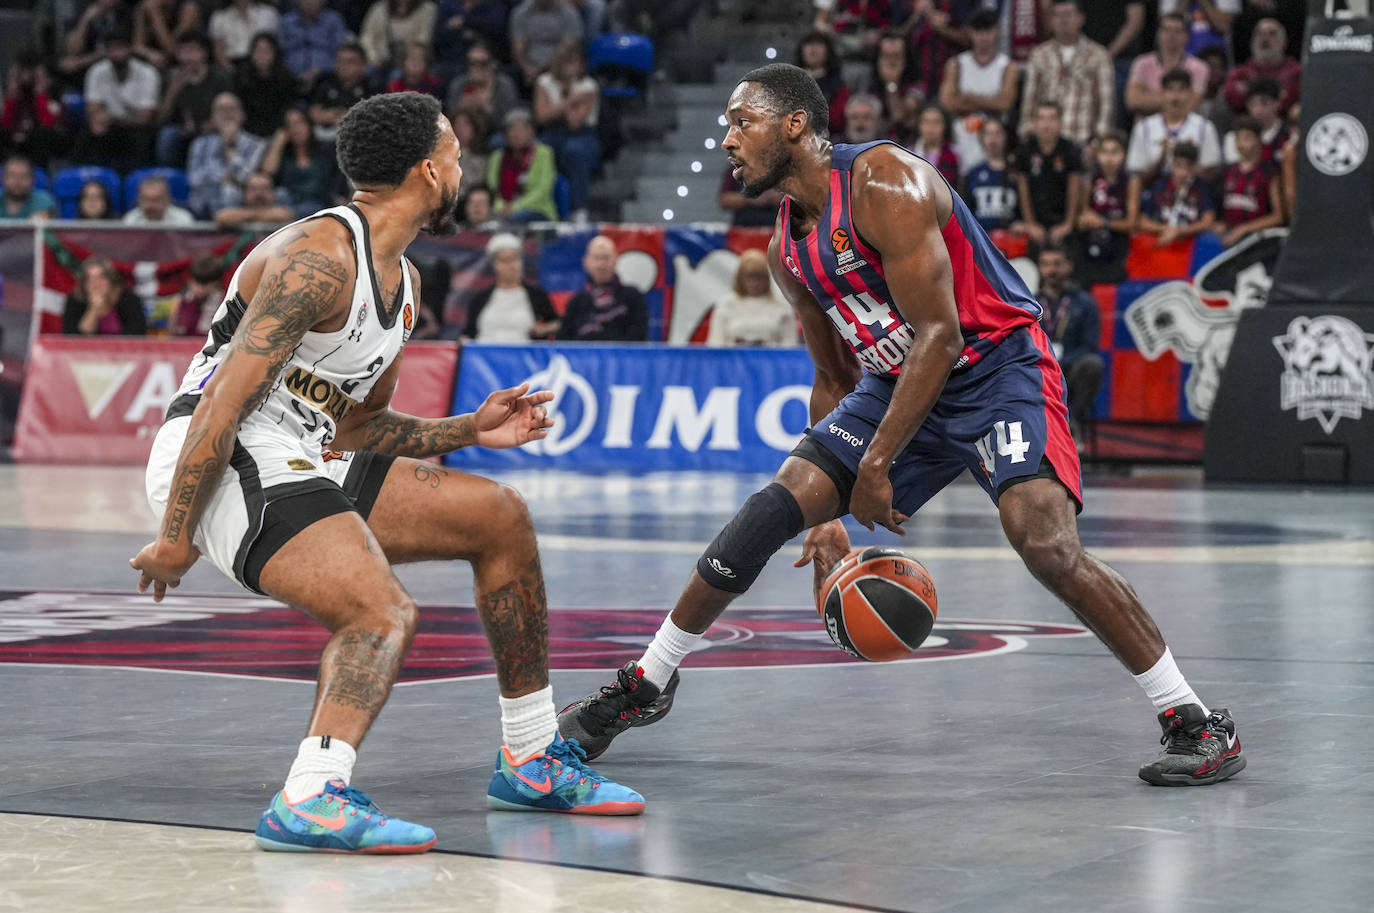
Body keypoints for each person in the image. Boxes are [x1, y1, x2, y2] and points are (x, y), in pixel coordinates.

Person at [557, 62, 1245, 788]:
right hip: (896, 383)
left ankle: (1196, 722)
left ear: (794, 124)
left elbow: (942, 336)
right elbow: (833, 379)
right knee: (768, 512)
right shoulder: (787, 249)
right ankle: (646, 682)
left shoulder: (884, 184)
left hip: (995, 370)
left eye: (741, 122)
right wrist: (826, 519)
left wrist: (877, 463)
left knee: (1045, 543)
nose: (727, 139)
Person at [132, 92, 646, 857]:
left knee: (499, 516)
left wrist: (469, 428)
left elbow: (357, 428)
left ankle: (532, 757)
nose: (464, 169)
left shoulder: (401, 286)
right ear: (428, 171)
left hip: (304, 448)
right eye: (457, 156)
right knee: (380, 611)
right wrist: (176, 535)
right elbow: (221, 406)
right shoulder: (318, 256)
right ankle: (310, 794)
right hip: (217, 451)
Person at [1018, 0, 1114, 147]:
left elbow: (1106, 104)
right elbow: (1029, 101)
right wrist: (1028, 136)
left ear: (1081, 18)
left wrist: (1097, 143)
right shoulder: (1039, 55)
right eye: (1057, 15)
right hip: (1045, 144)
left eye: (1068, 14)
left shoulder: (1099, 55)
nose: (1063, 20)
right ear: (1051, 20)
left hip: (1082, 139)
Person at [1034, 243, 1102, 446]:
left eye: (1057, 264)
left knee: (1093, 364)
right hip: (1040, 368)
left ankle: (1071, 421)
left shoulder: (1085, 301)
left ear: (1069, 267)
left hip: (1071, 369)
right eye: (1046, 264)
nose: (1051, 270)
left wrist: (1062, 361)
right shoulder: (1030, 302)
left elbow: (1090, 345)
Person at [938, 9, 1017, 176]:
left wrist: (967, 98)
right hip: (962, 138)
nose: (983, 37)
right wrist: (990, 102)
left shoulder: (1007, 66)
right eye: (978, 31)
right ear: (970, 32)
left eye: (988, 31)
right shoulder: (956, 64)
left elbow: (1005, 103)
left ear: (996, 31)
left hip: (994, 141)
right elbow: (948, 102)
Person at [532, 45, 600, 222]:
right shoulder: (544, 82)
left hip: (582, 134)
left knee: (575, 151)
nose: (573, 68)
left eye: (576, 63)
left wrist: (563, 99)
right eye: (568, 63)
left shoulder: (588, 85)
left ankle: (579, 209)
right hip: (552, 131)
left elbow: (574, 123)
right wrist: (572, 100)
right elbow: (542, 117)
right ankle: (540, 205)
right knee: (539, 150)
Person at [1126, 67, 1221, 184]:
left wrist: (1184, 166)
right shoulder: (1144, 127)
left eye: (1181, 90)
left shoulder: (1205, 127)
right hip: (1155, 188)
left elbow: (1210, 173)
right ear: (1161, 93)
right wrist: (1161, 157)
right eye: (1170, 90)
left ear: (1190, 94)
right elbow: (1137, 175)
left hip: (1194, 189)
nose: (1175, 97)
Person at [83, 28, 162, 170]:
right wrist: (99, 117)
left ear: (130, 49)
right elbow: (93, 108)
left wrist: (114, 118)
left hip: (137, 128)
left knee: (140, 137)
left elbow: (145, 116)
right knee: (91, 132)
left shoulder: (147, 73)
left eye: (120, 48)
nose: (116, 54)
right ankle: (96, 178)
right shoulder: (96, 71)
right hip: (109, 126)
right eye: (111, 49)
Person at [1010, 101, 1082, 250]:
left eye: (1052, 118)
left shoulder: (1070, 150)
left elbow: (1074, 190)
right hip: (1035, 218)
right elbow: (1023, 190)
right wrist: (1031, 224)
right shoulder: (1024, 150)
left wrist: (1068, 224)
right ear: (1034, 123)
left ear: (1060, 123)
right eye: (1041, 118)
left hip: (1062, 218)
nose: (1046, 124)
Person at [156, 31, 234, 167]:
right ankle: (170, 175)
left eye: (191, 50)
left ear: (204, 53)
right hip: (182, 130)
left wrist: (198, 128)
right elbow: (161, 118)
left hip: (212, 130)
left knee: (210, 140)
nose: (185, 56)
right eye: (181, 51)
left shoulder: (220, 78)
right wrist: (172, 91)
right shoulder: (171, 77)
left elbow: (228, 116)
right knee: (167, 135)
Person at [463, 232, 559, 340]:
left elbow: (557, 323)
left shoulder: (536, 295)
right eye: (505, 260)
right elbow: (468, 333)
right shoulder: (480, 298)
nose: (511, 265)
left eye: (515, 259)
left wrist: (545, 329)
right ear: (494, 264)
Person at [188, 92, 267, 218]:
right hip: (206, 198)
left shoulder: (256, 144)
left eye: (232, 109)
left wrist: (228, 147)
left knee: (230, 193)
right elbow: (194, 179)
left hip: (240, 202)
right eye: (221, 110)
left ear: (242, 115)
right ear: (213, 118)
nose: (227, 115)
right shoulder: (200, 143)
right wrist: (222, 178)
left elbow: (246, 179)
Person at [556, 234, 647, 341]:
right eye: (596, 258)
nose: (601, 265)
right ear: (586, 262)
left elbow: (638, 336)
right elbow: (563, 339)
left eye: (606, 258)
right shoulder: (576, 302)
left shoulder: (632, 297)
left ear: (615, 261)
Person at [1075, 129, 1135, 285]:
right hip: (1092, 239)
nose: (1109, 158)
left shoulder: (1131, 180)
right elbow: (1082, 217)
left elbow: (1131, 224)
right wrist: (1087, 218)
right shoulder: (1089, 179)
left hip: (1118, 241)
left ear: (1124, 155)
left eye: (1115, 152)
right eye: (1104, 152)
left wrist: (1103, 222)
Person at [1124, 13, 1208, 121]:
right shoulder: (1141, 63)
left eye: (1177, 31)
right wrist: (1176, 100)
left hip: (1185, 128)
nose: (1171, 36)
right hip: (1145, 128)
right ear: (1158, 34)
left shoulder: (1199, 68)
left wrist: (1148, 99)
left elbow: (1190, 105)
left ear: (1187, 36)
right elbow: (1133, 101)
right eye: (1166, 30)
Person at [707, 249, 798, 347]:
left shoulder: (782, 306)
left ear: (767, 279)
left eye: (759, 278)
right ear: (740, 279)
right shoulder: (725, 305)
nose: (754, 283)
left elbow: (790, 345)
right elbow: (715, 344)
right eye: (749, 278)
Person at [1218, 116, 1284, 249]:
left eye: (1247, 138)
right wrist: (1218, 224)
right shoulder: (1228, 171)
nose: (1241, 143)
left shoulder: (1269, 173)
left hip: (1258, 242)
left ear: (1259, 140)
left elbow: (1278, 216)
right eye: (1238, 139)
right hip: (1230, 240)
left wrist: (1244, 229)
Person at [262, 106, 338, 217]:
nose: (295, 129)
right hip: (287, 202)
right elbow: (266, 174)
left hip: (316, 204)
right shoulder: (283, 154)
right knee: (280, 194)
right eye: (289, 125)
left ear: (309, 125)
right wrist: (277, 144)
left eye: (299, 123)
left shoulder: (325, 151)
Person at [1138, 140, 1216, 248]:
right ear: (1172, 163)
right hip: (1162, 240)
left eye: (1188, 167)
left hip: (1192, 244)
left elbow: (1207, 221)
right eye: (1178, 165)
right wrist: (1167, 229)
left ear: (1195, 167)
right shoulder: (1160, 185)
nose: (1182, 172)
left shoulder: (1202, 187)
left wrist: (1179, 232)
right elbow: (1143, 222)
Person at [486, 109, 558, 223]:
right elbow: (492, 189)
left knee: (514, 218)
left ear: (531, 131)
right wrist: (501, 206)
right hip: (502, 210)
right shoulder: (497, 156)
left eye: (521, 129)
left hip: (537, 209)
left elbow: (542, 190)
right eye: (512, 129)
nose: (516, 134)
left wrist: (514, 207)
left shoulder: (544, 153)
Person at [1223, 18, 1300, 119]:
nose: (1265, 38)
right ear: (1252, 41)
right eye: (1260, 33)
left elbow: (1295, 102)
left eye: (1272, 33)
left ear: (1284, 42)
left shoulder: (1297, 72)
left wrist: (1250, 93)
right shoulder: (1239, 74)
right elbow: (1233, 99)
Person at [1, 49, 65, 168]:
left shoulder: (53, 93)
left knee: (41, 134)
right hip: (15, 141)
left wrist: (40, 94)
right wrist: (11, 95)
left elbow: (48, 124)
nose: (27, 76)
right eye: (22, 71)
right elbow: (5, 124)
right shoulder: (14, 93)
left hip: (40, 145)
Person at [233, 33, 301, 140]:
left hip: (279, 133)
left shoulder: (286, 78)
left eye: (266, 51)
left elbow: (289, 108)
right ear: (252, 53)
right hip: (246, 133)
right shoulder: (241, 77)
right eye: (258, 50)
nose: (262, 55)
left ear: (275, 53)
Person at [510, 0, 585, 92]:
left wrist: (541, 69)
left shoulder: (569, 13)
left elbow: (567, 48)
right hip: (527, 67)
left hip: (557, 64)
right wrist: (527, 68)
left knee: (569, 67)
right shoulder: (521, 12)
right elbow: (518, 47)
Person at [62, 256, 148, 335]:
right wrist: (93, 310)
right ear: (83, 284)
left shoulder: (128, 299)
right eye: (89, 279)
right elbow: (73, 337)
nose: (96, 284)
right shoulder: (75, 300)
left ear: (111, 279)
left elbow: (137, 333)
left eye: (101, 277)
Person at [309, 43, 376, 141]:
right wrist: (327, 116)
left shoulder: (371, 87)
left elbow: (373, 119)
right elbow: (313, 113)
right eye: (340, 61)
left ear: (363, 65)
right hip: (326, 135)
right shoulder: (325, 82)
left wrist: (346, 118)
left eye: (350, 62)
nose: (345, 66)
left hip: (357, 136)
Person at [960, 117, 1017, 232]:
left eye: (997, 133)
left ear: (1005, 137)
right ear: (981, 139)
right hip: (980, 237)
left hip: (1011, 237)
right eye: (988, 134)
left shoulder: (1017, 172)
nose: (993, 139)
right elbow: (965, 213)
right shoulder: (973, 173)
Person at [446, 41, 519, 129]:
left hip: (497, 132)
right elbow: (449, 119)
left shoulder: (504, 85)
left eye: (483, 63)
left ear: (493, 64)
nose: (477, 68)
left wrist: (487, 109)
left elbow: (510, 122)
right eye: (472, 63)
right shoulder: (458, 84)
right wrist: (461, 109)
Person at [278, 0, 349, 90]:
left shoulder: (334, 21)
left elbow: (342, 52)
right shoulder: (287, 21)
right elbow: (279, 52)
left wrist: (319, 71)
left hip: (327, 77)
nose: (310, 2)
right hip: (290, 78)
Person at [794, 30, 849, 138]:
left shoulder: (839, 85)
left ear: (828, 51)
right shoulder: (791, 82)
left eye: (819, 44)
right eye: (809, 44)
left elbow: (838, 119)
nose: (813, 49)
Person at [1221, 78, 1287, 167]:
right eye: (1253, 104)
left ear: (1277, 103)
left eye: (1264, 103)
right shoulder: (1233, 137)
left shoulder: (1288, 137)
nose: (1258, 110)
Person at [359, 0, 437, 71]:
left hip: (411, 60)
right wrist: (373, 58)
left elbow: (423, 38)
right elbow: (367, 37)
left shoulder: (428, 9)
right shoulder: (379, 9)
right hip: (380, 59)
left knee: (396, 75)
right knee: (367, 72)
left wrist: (410, 59)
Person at [208, 0, 281, 67]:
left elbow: (276, 44)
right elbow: (218, 49)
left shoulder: (269, 13)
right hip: (233, 64)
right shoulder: (219, 17)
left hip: (265, 65)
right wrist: (229, 69)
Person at [133, 0, 202, 70]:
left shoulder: (188, 9)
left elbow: (173, 50)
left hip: (184, 62)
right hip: (155, 62)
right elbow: (137, 47)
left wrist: (155, 15)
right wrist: (149, 54)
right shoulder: (145, 8)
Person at [168, 253, 225, 336]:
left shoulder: (222, 302)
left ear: (216, 283)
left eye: (204, 285)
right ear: (190, 280)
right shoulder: (181, 299)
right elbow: (172, 331)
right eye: (196, 282)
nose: (199, 289)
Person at [1158, 0, 1239, 59]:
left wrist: (1204, 2)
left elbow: (1223, 26)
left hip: (1216, 57)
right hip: (1182, 58)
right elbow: (1169, 25)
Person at [212, 171, 295, 226]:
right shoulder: (237, 204)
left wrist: (243, 217)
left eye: (265, 188)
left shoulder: (280, 206)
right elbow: (222, 217)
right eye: (253, 189)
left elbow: (286, 216)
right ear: (244, 193)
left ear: (273, 193)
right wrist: (264, 215)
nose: (259, 193)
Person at [909, 103, 959, 187]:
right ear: (919, 125)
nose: (931, 127)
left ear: (944, 126)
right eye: (926, 122)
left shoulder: (956, 153)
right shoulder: (908, 154)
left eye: (936, 122)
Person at [123, 174, 197, 224]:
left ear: (168, 200)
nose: (150, 205)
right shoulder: (130, 220)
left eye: (156, 200)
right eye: (145, 199)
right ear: (138, 200)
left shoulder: (183, 219)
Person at [0, 155, 57, 220]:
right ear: (3, 178)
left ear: (33, 179)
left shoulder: (44, 200)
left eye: (23, 176)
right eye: (12, 176)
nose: (17, 181)